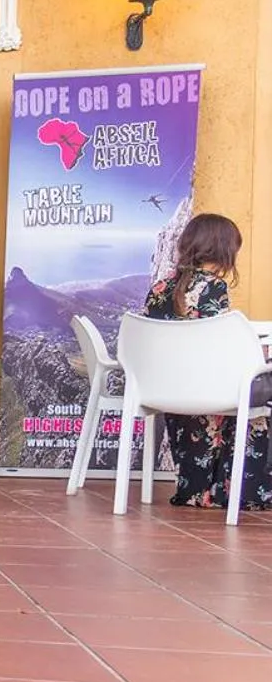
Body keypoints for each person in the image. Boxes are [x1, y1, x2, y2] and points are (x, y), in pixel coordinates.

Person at [142, 213, 272, 512]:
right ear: (225, 250)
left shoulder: (160, 288)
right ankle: (240, 490)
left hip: (167, 393)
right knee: (257, 403)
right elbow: (215, 348)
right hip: (206, 392)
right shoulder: (214, 287)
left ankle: (197, 489)